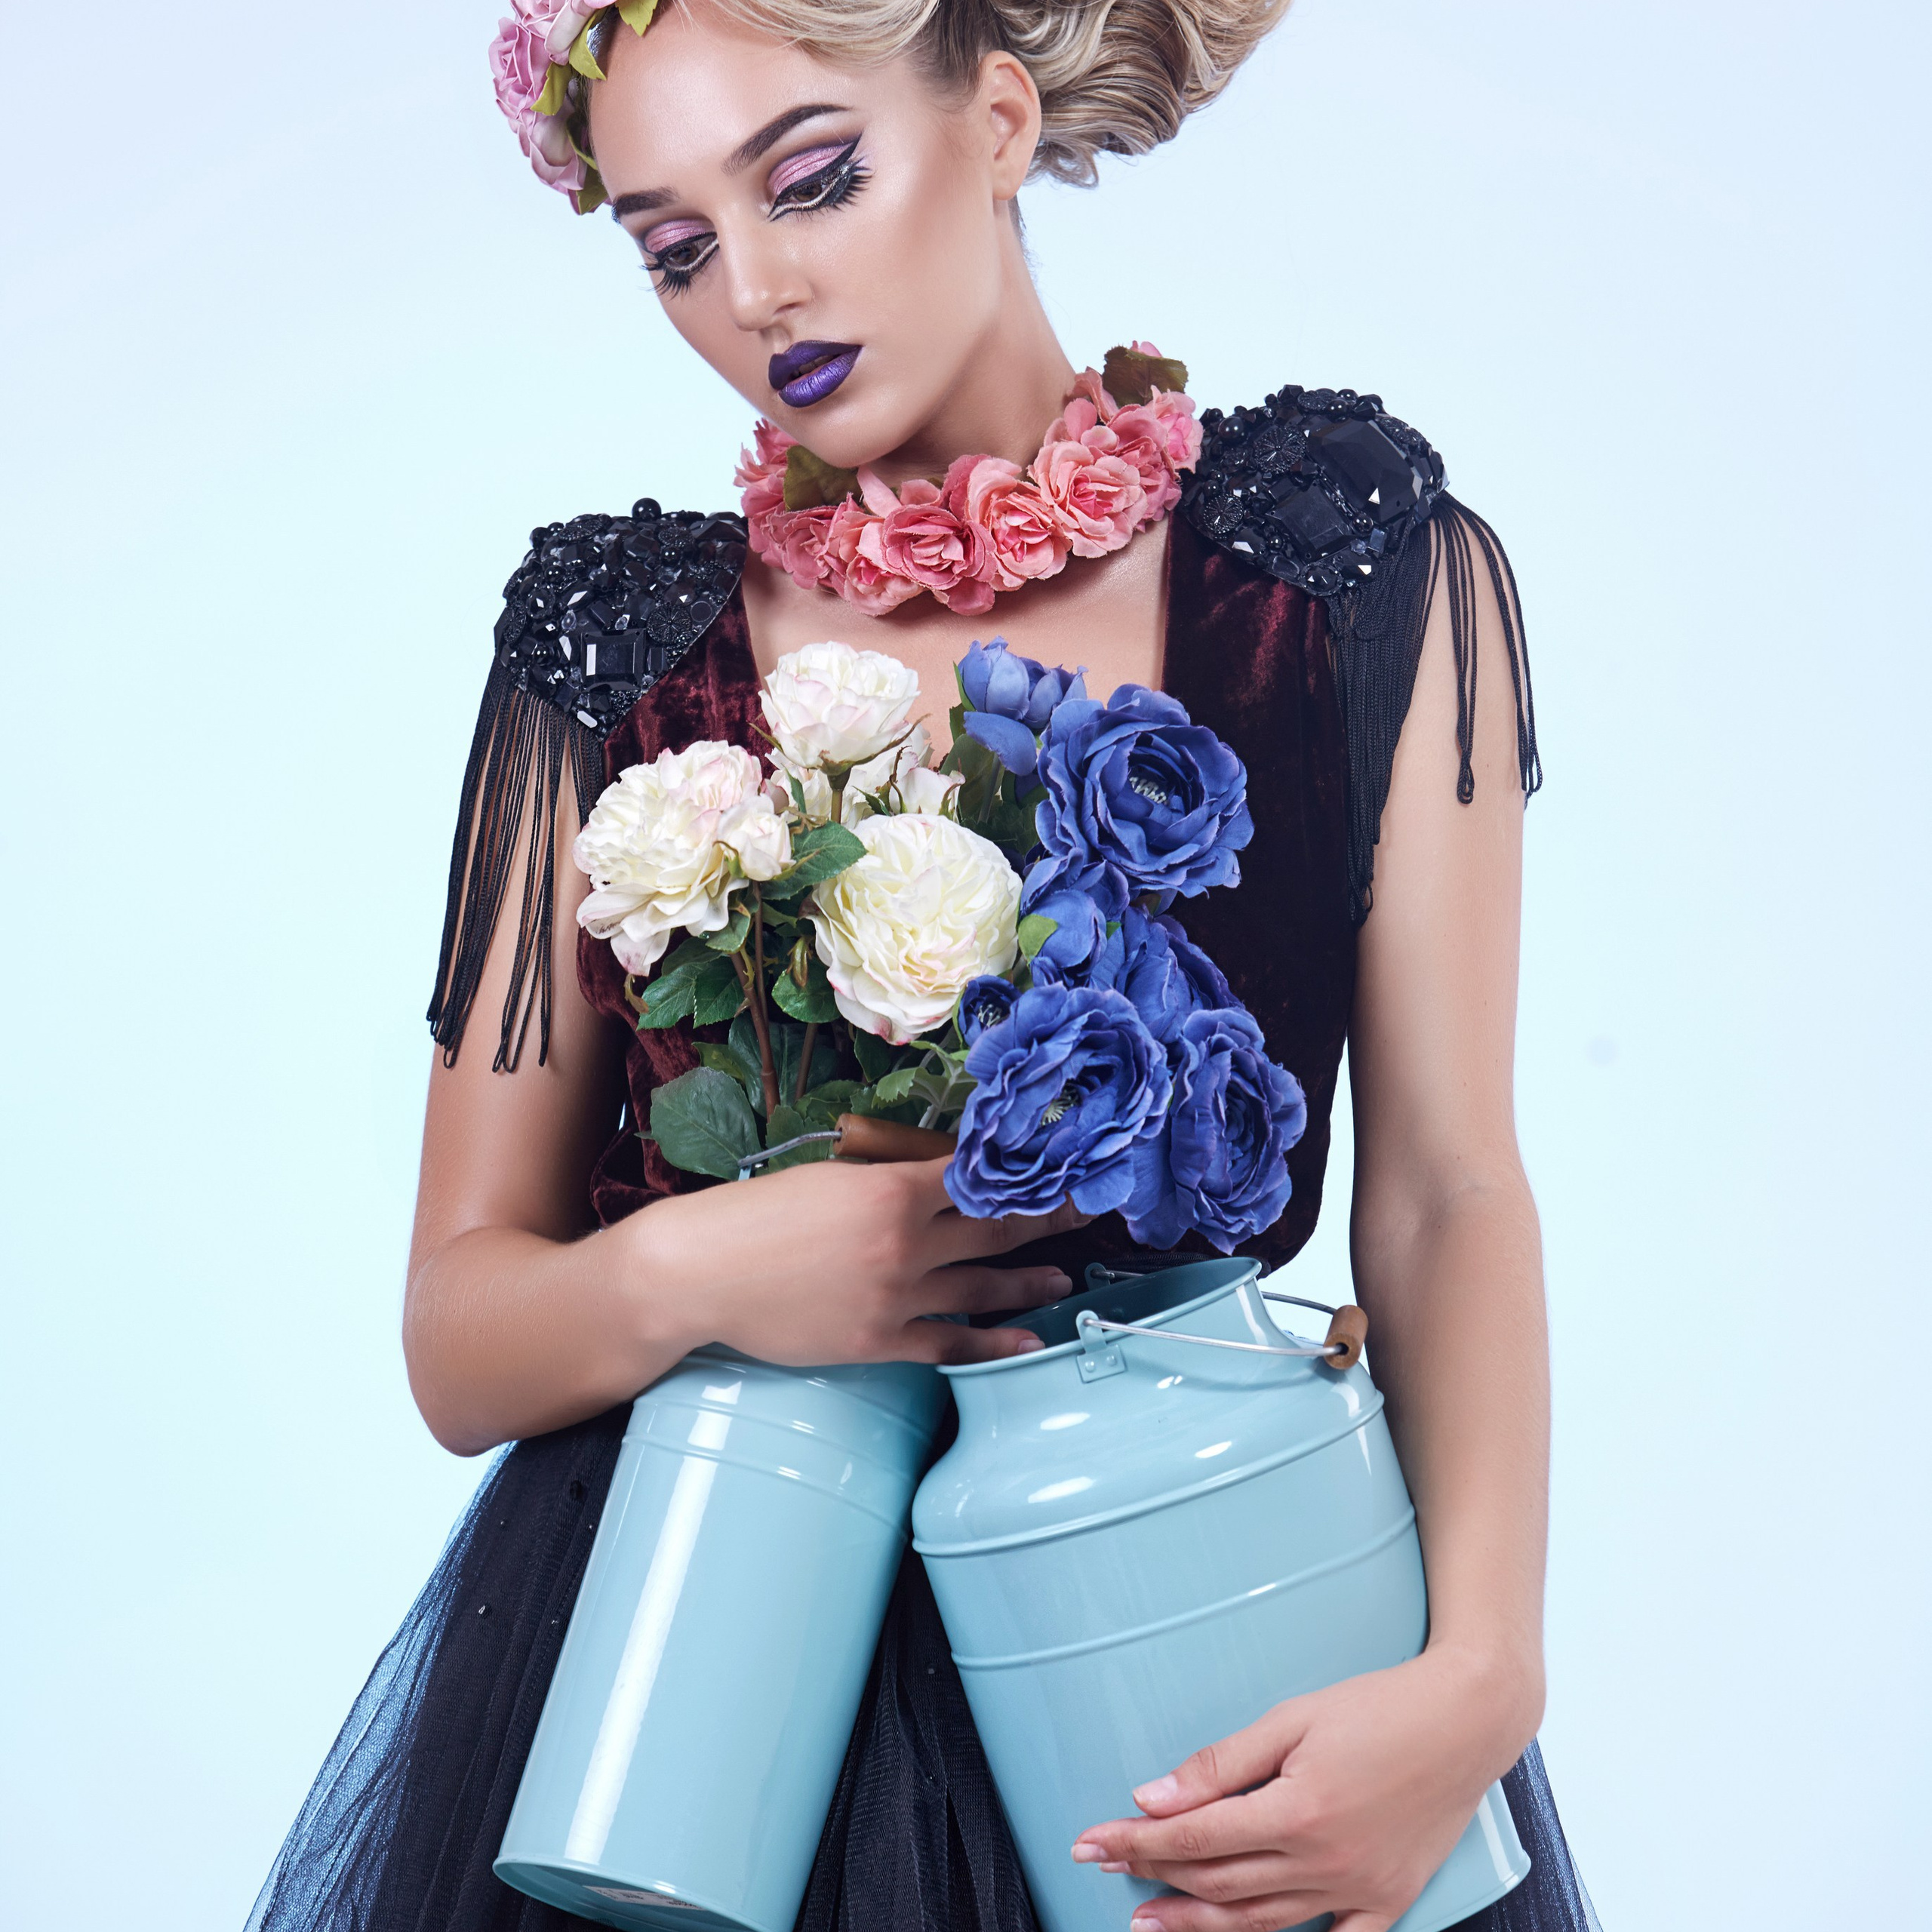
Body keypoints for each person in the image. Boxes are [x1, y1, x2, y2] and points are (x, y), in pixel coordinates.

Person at [252, 2, 1601, 1928]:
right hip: (687, 1690)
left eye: (810, 176)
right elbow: (458, 1338)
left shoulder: (1345, 569)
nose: (759, 286)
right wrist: (710, 1263)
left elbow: (1451, 1185)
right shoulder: (614, 647)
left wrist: (1480, 1673)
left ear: (990, 118)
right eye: (674, 246)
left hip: (1186, 1610)